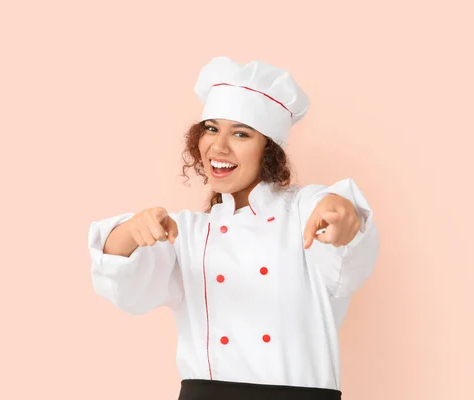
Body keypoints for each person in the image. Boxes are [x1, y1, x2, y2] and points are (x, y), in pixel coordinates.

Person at [88, 56, 380, 400]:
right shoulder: (187, 232)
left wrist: (344, 216)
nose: (219, 146)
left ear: (268, 150)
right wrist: (130, 232)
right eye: (211, 128)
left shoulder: (304, 210)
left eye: (240, 133)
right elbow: (128, 292)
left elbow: (343, 250)